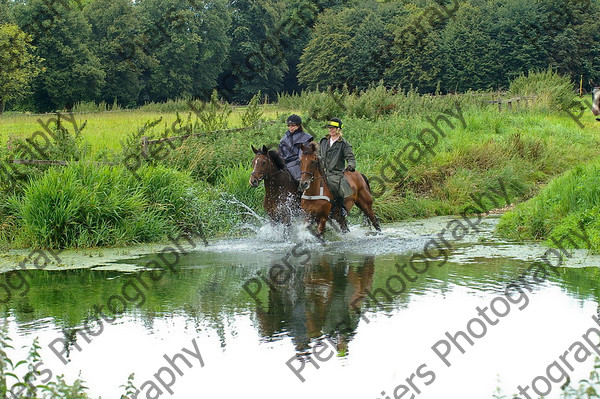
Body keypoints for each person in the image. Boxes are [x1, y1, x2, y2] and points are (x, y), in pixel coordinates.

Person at [318, 118, 355, 217]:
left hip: (335, 173)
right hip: (322, 171)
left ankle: (341, 207)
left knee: (336, 186)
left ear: (339, 129)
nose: (331, 130)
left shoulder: (344, 144)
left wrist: (351, 165)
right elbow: (317, 154)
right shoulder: (323, 141)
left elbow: (350, 157)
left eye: (333, 128)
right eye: (330, 128)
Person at [278, 114, 314, 181]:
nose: (291, 127)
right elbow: (280, 153)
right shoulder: (284, 139)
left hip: (297, 164)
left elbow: (303, 156)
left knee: (299, 180)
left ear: (298, 125)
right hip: (284, 163)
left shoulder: (305, 138)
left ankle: (302, 189)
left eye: (293, 125)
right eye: (289, 126)